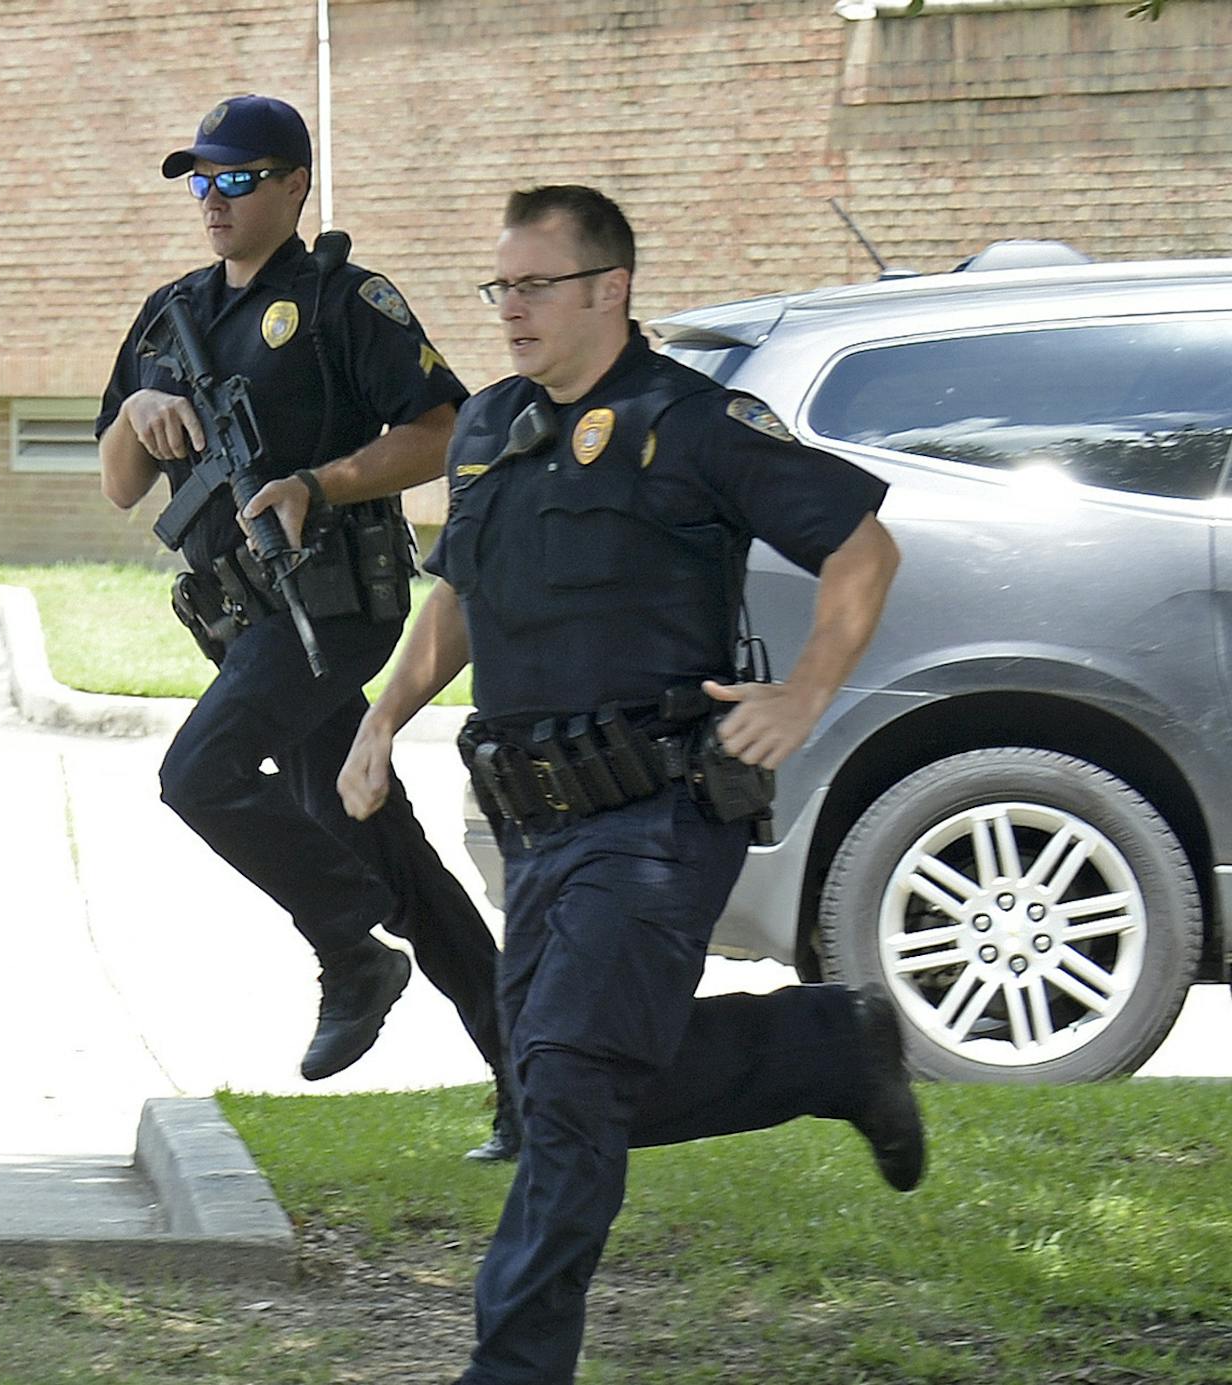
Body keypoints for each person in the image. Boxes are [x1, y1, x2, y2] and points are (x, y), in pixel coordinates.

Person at [337, 185, 923, 1383]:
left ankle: (516, 1365)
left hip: (655, 815)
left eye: (535, 284)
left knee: (565, 1089)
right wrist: (381, 719)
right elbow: (460, 594)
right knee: (576, 1074)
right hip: (534, 823)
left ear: (609, 288)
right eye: (499, 285)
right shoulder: (492, 424)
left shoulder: (696, 421)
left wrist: (805, 691)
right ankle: (831, 1045)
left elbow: (863, 546)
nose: (510, 309)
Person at [96, 94, 518, 1158]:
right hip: (247, 620)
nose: (214, 199)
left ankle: (352, 945)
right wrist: (137, 419)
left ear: (293, 186)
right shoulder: (168, 315)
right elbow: (117, 484)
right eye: (200, 179)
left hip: (334, 602)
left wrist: (318, 482)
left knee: (198, 774)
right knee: (374, 830)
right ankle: (534, 1074)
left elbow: (446, 425)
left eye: (238, 180)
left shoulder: (341, 300)